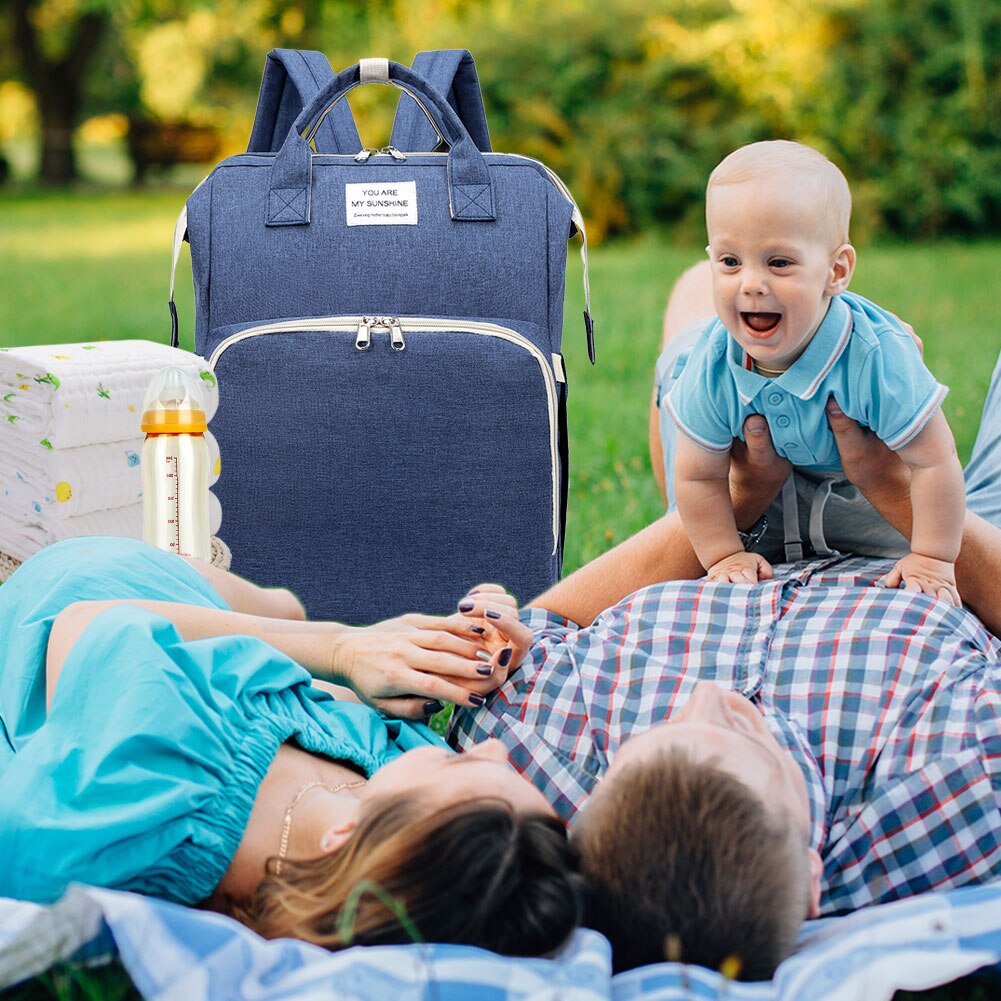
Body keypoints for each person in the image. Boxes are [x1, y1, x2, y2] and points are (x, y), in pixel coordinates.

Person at [451, 260, 1001, 980]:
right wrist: (893, 487)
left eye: (670, 723)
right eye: (745, 730)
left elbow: (530, 623)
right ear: (810, 875)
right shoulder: (946, 776)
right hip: (948, 546)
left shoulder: (564, 763)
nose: (712, 696)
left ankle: (814, 347)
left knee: (697, 297)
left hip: (724, 531)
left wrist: (736, 500)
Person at [0, 537, 582, 957]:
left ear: (349, 836)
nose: (498, 754)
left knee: (277, 612)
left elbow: (88, 626)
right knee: (283, 613)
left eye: (474, 776)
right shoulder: (385, 786)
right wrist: (474, 629)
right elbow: (321, 695)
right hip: (223, 637)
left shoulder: (156, 799)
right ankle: (285, 612)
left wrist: (342, 649)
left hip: (75, 598)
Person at [663, 141, 964, 604]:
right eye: (729, 261)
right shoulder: (713, 360)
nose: (751, 283)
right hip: (762, 500)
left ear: (836, 271)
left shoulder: (875, 355)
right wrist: (724, 555)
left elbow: (933, 460)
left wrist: (932, 556)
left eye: (778, 262)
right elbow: (699, 477)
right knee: (679, 401)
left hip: (863, 495)